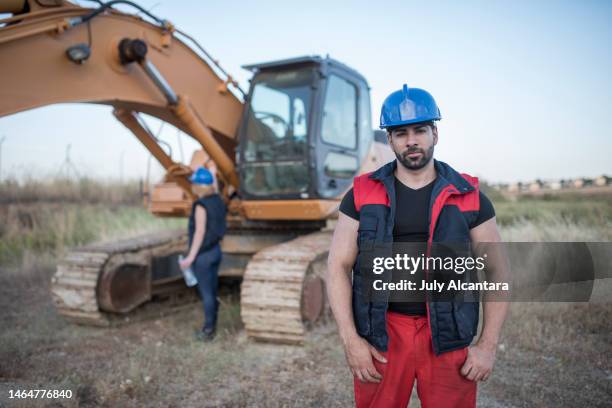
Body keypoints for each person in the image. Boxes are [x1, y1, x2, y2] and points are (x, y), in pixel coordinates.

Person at [326, 84, 509, 407]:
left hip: (448, 334)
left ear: (434, 134)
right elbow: (338, 266)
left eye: (420, 130)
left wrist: (487, 346)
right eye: (400, 133)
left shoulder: (469, 196)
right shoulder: (362, 194)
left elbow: (497, 271)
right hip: (382, 335)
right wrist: (351, 340)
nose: (411, 140)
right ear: (389, 140)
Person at [179, 164, 227, 341]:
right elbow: (213, 186)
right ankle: (212, 325)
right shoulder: (218, 200)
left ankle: (208, 331)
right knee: (212, 290)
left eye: (194, 184)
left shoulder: (201, 205)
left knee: (206, 293)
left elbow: (199, 232)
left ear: (198, 186)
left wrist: (190, 258)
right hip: (216, 251)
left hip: (204, 256)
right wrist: (213, 173)